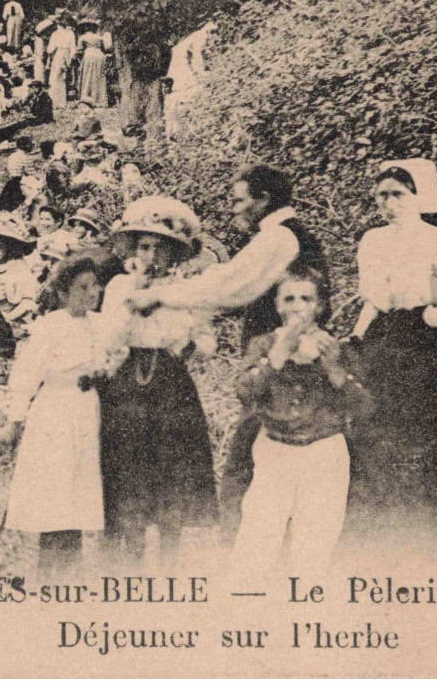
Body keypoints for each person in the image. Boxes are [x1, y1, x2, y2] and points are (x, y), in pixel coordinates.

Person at [128, 165, 325, 535]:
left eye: (239, 200)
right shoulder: (282, 236)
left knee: (249, 460)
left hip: (283, 363)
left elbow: (232, 286)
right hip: (282, 360)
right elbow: (225, 280)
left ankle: (243, 548)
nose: (233, 209)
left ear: (263, 200)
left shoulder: (279, 238)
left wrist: (158, 295)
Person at [345, 158, 437, 549]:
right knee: (372, 437)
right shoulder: (372, 241)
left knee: (426, 439)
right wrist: (355, 339)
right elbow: (375, 301)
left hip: (421, 351)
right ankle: (380, 540)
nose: (388, 203)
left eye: (398, 194)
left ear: (419, 196)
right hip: (379, 346)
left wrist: (434, 316)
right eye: (381, 196)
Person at [96, 197, 218, 564]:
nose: (151, 256)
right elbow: (107, 338)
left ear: (175, 254)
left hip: (170, 383)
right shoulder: (119, 286)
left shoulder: (184, 289)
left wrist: (189, 341)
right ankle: (129, 561)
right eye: (145, 246)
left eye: (161, 248)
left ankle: (168, 560)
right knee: (129, 469)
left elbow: (208, 341)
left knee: (171, 469)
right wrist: (135, 295)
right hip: (129, 382)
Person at [231, 267, 372, 579]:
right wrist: (277, 356)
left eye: (306, 299)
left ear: (319, 306)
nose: (297, 306)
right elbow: (245, 391)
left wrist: (335, 369)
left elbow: (363, 405)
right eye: (289, 299)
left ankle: (306, 604)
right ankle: (248, 604)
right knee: (259, 531)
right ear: (278, 305)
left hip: (324, 449)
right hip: (275, 447)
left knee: (316, 537)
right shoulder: (264, 344)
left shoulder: (336, 347)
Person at [0, 250, 122, 576]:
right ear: (63, 293)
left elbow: (117, 355)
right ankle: (50, 571)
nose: (92, 293)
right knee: (56, 492)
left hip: (89, 412)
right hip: (56, 413)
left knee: (79, 494)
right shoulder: (50, 326)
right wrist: (14, 420)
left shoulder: (102, 323)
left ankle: (69, 571)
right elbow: (25, 375)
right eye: (82, 287)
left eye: (95, 286)